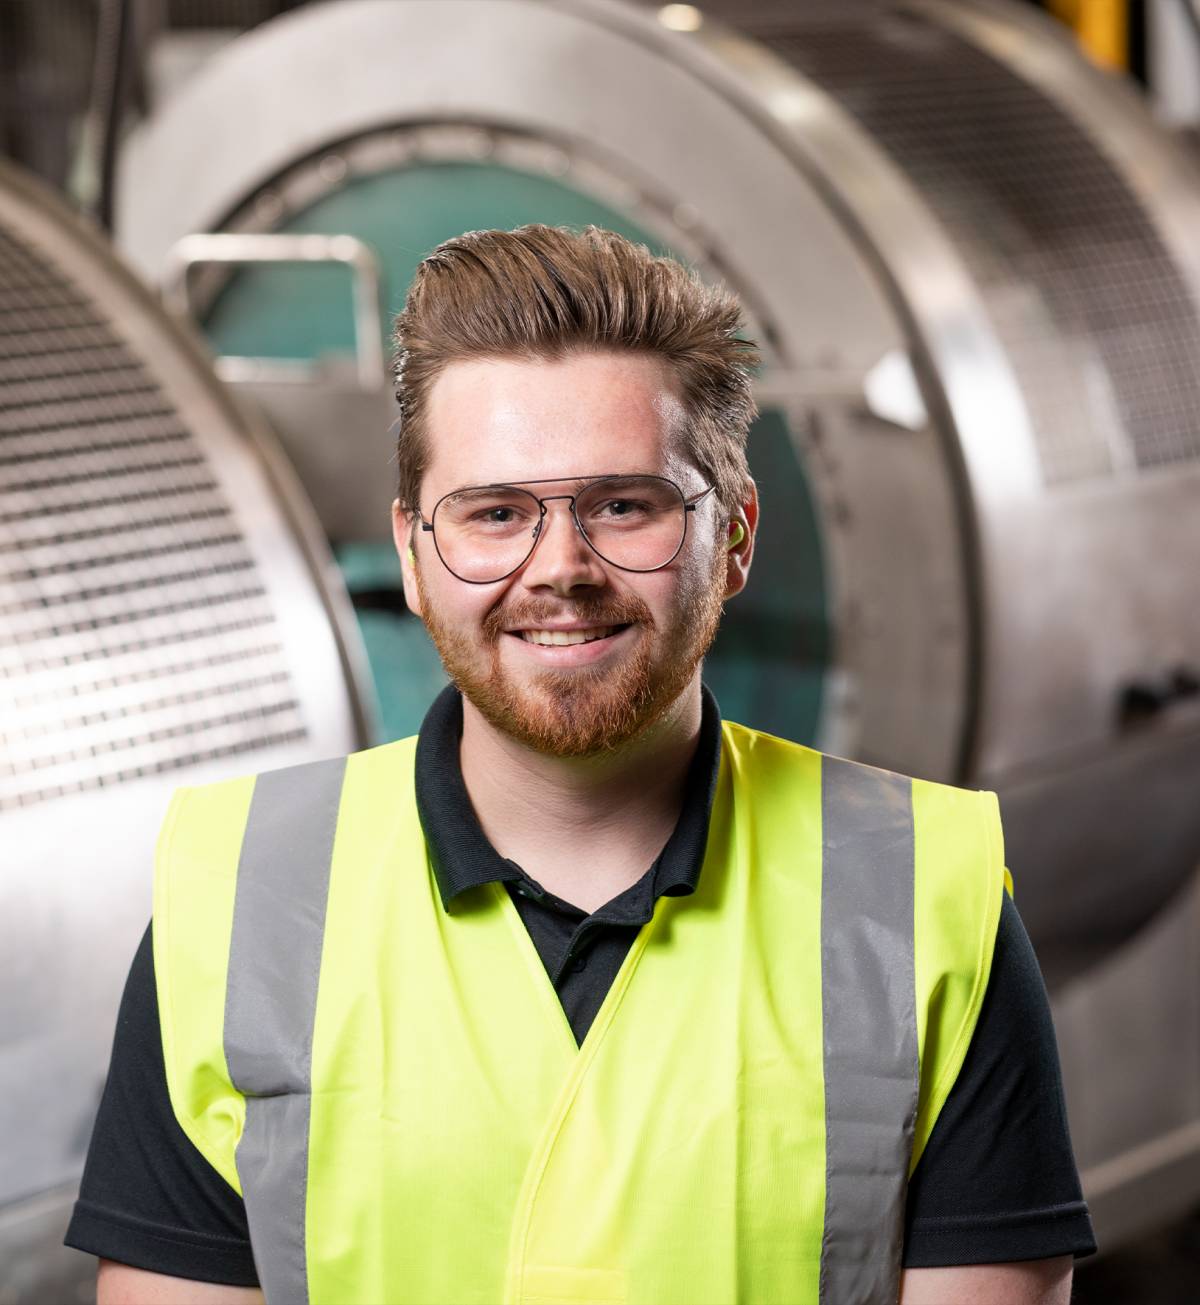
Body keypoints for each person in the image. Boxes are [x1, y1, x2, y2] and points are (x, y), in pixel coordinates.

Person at [66, 225, 1095, 1304]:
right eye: (497, 513)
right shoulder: (240, 901)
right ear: (415, 556)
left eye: (622, 506)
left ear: (735, 537)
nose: (561, 569)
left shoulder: (928, 898)